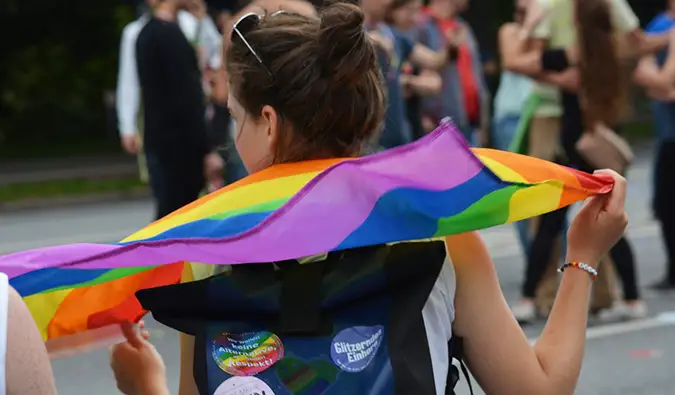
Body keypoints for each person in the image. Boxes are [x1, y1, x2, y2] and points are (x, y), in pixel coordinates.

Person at [111, 3, 631, 395]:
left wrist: (145, 387)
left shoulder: (208, 253)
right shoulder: (438, 242)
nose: (233, 136)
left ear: (267, 124)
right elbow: (539, 389)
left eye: (235, 117)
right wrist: (582, 257)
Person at [503, 0, 647, 322]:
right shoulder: (612, 55)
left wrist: (532, 32)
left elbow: (517, 61)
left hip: (572, 150)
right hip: (600, 151)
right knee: (610, 221)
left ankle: (528, 296)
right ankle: (633, 298)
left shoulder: (571, 55)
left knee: (550, 224)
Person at [136, 0, 224, 220]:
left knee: (169, 213)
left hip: (159, 139)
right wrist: (206, 149)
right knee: (180, 216)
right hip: (180, 146)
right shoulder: (170, 37)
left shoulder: (146, 33)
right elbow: (188, 99)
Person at [362, 0, 459, 149]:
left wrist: (451, 48)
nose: (387, 2)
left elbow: (434, 60)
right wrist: (369, 40)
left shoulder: (394, 35)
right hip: (366, 140)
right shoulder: (352, 33)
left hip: (397, 136)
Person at [633, 2, 675, 291]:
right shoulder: (659, 26)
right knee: (664, 205)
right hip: (668, 134)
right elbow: (649, 78)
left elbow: (662, 84)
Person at [413, 0, 490, 146]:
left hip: (469, 124)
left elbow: (476, 74)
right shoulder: (420, 24)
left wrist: (482, 122)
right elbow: (413, 71)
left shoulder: (462, 26)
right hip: (437, 126)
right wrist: (423, 114)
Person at [386, 0, 442, 140]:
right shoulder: (386, 35)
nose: (415, 17)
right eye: (409, 10)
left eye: (417, 10)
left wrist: (409, 83)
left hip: (411, 123)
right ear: (394, 10)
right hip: (389, 125)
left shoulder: (408, 39)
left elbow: (434, 80)